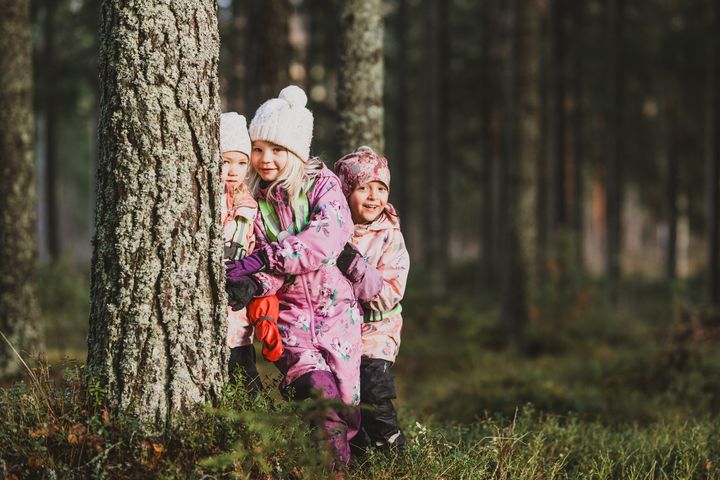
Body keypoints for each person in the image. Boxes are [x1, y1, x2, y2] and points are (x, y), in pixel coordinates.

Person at [224, 86, 381, 466]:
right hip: (291, 321)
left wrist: (265, 259)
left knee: (346, 409)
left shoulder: (322, 184)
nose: (264, 159)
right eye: (258, 149)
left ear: (295, 151)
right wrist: (254, 283)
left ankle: (338, 462)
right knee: (319, 396)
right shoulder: (256, 202)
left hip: (338, 318)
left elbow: (325, 240)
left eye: (276, 149)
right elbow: (265, 269)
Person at [334, 146, 410, 452]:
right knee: (346, 401)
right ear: (345, 190)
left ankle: (392, 448)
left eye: (380, 188)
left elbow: (388, 295)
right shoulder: (334, 230)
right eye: (363, 188)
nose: (373, 196)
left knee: (373, 388)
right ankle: (364, 454)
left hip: (378, 330)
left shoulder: (390, 236)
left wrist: (354, 265)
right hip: (341, 332)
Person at [219, 112, 263, 392]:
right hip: (212, 316)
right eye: (226, 162)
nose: (233, 170)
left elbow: (256, 249)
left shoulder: (250, 205)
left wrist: (252, 279)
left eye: (241, 162)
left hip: (239, 317)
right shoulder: (208, 199)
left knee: (246, 382)